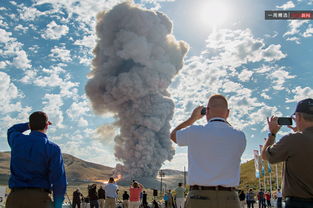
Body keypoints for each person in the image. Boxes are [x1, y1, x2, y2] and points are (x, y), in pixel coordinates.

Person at [170, 94, 246, 208]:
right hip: (230, 198)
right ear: (228, 113)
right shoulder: (240, 136)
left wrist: (192, 118)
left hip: (199, 198)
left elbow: (173, 135)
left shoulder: (194, 131)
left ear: (207, 111)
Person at [5, 111, 67, 208]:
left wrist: (29, 125)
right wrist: (58, 204)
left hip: (15, 198)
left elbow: (12, 130)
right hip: (40, 199)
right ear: (47, 126)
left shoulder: (17, 140)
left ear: (31, 125)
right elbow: (58, 179)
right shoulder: (53, 148)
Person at [261, 98, 313, 208]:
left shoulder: (293, 140)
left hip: (298, 203)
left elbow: (265, 155)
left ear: (298, 117)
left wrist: (272, 134)